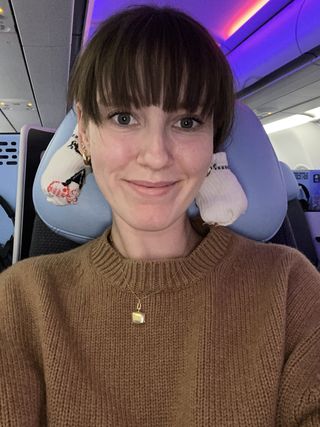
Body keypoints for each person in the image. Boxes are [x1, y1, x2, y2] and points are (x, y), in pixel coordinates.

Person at [0, 5, 319, 426]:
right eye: (124, 117)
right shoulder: (22, 301)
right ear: (84, 132)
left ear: (212, 144)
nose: (156, 156)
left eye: (186, 122)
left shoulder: (291, 288)